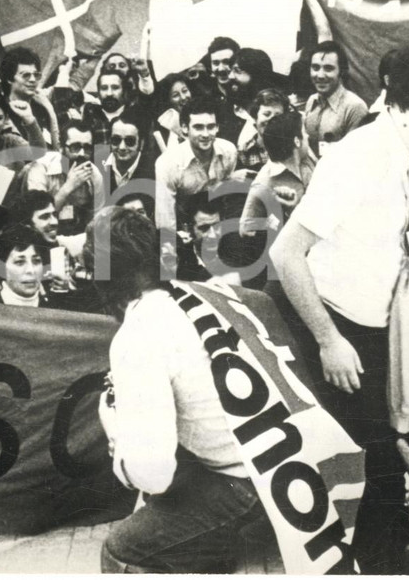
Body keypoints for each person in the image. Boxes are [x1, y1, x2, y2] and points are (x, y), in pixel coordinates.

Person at [268, 33, 409, 573]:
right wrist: (328, 340)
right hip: (328, 327)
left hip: (369, 333)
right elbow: (287, 255)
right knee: (375, 477)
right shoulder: (362, 154)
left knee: (394, 469)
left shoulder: (406, 156)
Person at [83, 207, 267, 573]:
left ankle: (209, 546)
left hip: (245, 480)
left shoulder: (137, 334)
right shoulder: (197, 292)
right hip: (279, 459)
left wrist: (116, 428)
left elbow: (153, 475)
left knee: (120, 550)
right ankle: (209, 549)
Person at [154, 98, 237, 232]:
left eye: (211, 127)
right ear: (185, 128)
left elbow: (228, 199)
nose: (205, 134)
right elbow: (165, 220)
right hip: (184, 228)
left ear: (217, 127)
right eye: (198, 127)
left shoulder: (228, 151)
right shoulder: (167, 163)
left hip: (218, 224)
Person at [239, 111, 314, 237]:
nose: (307, 136)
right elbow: (245, 229)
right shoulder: (263, 183)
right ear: (297, 141)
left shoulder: (307, 158)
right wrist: (279, 222)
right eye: (304, 133)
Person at [23, 121, 104, 236]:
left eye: (87, 148)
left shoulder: (94, 175)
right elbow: (36, 216)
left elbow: (96, 220)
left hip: (76, 235)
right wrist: (68, 187)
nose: (82, 154)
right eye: (75, 147)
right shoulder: (41, 168)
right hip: (40, 233)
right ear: (61, 147)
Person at [302, 40, 368, 156]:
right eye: (315, 68)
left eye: (328, 68)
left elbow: (357, 157)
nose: (320, 75)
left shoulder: (355, 107)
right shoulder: (311, 101)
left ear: (341, 72)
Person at [174, 190, 241, 286]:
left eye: (217, 226)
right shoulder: (179, 260)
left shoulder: (236, 254)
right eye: (204, 228)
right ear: (188, 229)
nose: (212, 235)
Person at [0, 46, 60, 148]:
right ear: (9, 78)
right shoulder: (0, 109)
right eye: (26, 75)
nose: (32, 79)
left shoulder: (43, 108)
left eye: (36, 75)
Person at [220, 48, 278, 146]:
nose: (230, 76)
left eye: (237, 71)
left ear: (257, 76)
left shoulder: (277, 110)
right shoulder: (226, 112)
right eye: (230, 71)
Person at [102, 108, 156, 198]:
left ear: (141, 144)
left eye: (129, 141)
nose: (122, 147)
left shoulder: (153, 170)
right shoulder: (99, 165)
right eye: (116, 140)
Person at [235, 88, 289, 173]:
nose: (271, 119)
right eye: (266, 114)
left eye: (277, 116)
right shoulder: (245, 150)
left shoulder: (291, 149)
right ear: (255, 117)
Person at [152, 72, 192, 153]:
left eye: (185, 91)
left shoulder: (203, 118)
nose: (183, 97)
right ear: (168, 101)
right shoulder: (164, 128)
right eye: (175, 95)